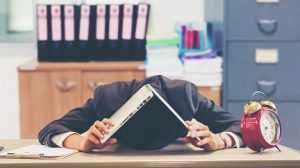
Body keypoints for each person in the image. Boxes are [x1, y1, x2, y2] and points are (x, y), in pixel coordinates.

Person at [39, 75, 243, 152]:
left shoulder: (185, 97)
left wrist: (218, 140)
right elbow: (50, 129)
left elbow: (241, 127)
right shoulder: (106, 100)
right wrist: (80, 142)